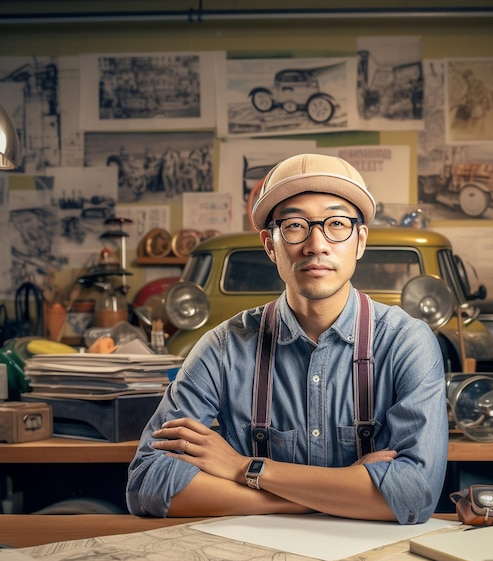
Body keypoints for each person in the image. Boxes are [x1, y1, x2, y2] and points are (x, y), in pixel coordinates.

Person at [126, 153, 448, 525]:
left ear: (359, 241)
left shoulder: (407, 342)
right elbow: (148, 482)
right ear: (270, 245)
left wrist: (244, 468)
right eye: (295, 226)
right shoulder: (222, 348)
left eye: (337, 224)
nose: (316, 244)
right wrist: (312, 501)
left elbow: (413, 495)